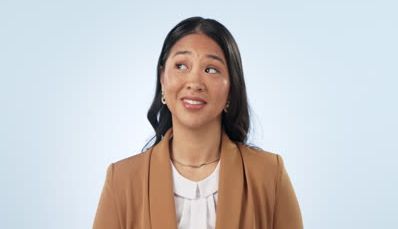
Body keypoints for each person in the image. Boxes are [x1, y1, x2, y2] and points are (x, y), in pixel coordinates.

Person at [92, 16, 303, 229]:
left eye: (211, 69)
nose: (194, 82)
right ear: (162, 78)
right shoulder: (122, 180)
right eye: (181, 65)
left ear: (231, 85)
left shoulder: (268, 175)